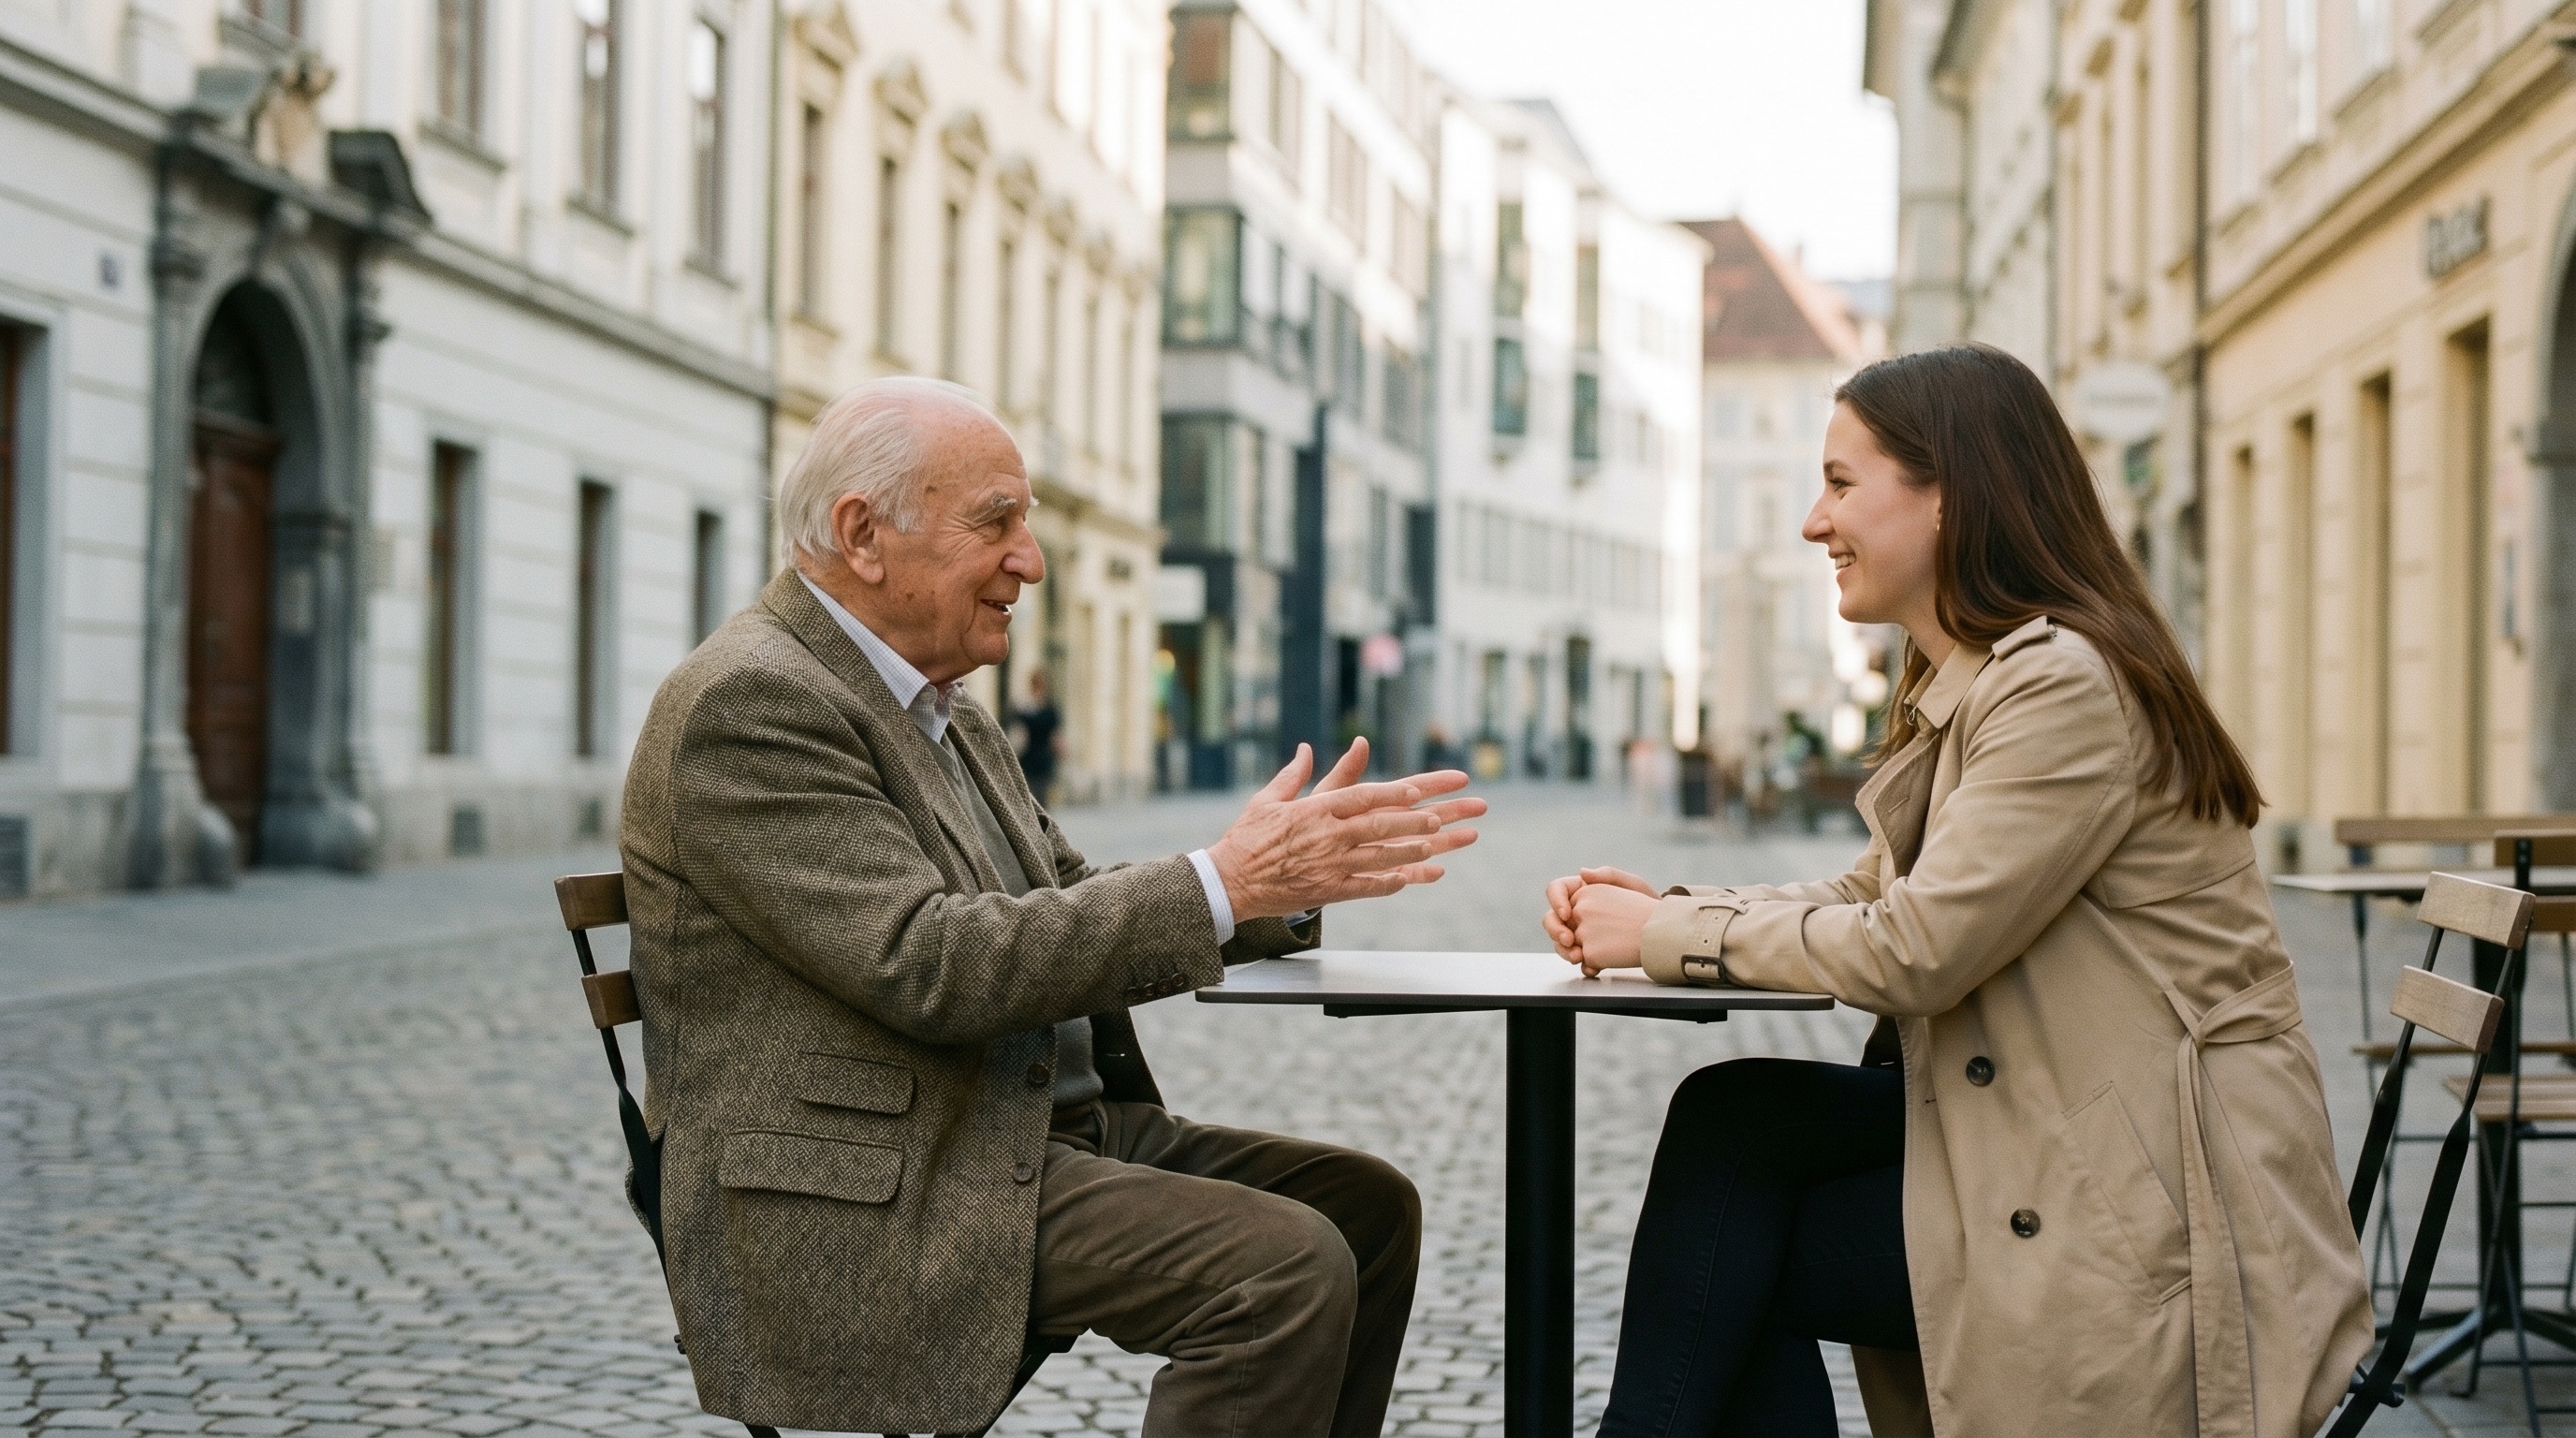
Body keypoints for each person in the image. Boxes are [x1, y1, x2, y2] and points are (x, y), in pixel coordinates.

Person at [622, 376, 1483, 1438]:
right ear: (862, 533)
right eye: (997, 523)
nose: (1031, 558)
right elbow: (926, 963)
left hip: (1004, 1132)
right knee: (1281, 1267)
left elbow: (1064, 895)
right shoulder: (751, 703)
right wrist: (1224, 879)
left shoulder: (934, 700)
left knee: (1365, 1209)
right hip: (871, 1196)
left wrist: (1269, 893)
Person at [1542, 344, 2369, 1438]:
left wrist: (1665, 933)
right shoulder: (1985, 676)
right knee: (1733, 1119)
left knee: (1745, 1259)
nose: (1811, 522)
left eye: (1842, 484)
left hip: (2150, 1199)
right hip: (2057, 1122)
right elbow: (1871, 886)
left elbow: (1912, 948)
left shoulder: (2060, 686)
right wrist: (1669, 911)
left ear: (1948, 499)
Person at [1012, 667, 1063, 802]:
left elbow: (1056, 737)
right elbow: (1018, 733)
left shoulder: (1048, 709)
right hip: (1029, 757)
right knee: (1029, 798)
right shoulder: (1025, 706)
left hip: (1041, 759)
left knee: (1039, 798)